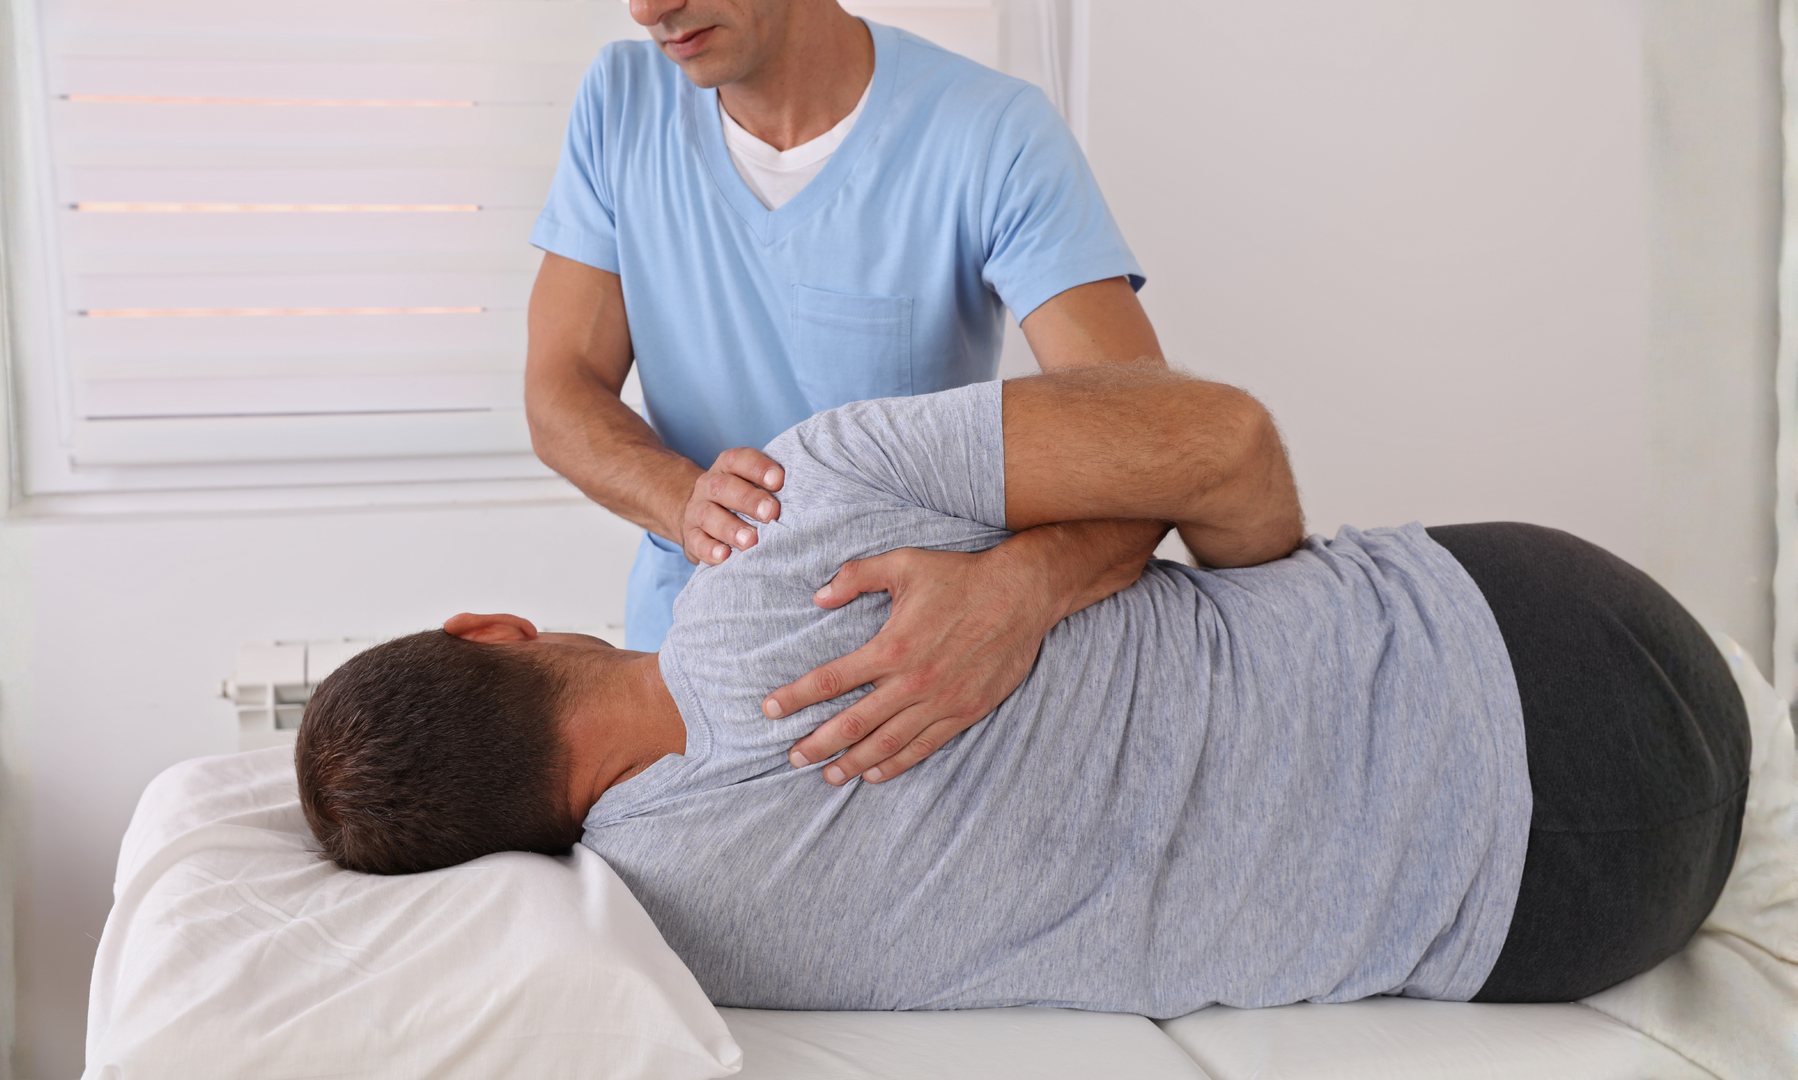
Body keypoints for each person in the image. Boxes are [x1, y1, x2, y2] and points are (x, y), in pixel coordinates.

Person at [297, 366, 1749, 1017]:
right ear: (487, 628)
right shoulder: (798, 511)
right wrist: (1040, 579)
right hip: (1569, 651)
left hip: (1565, 927)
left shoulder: (675, 954)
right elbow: (1232, 449)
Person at [527, 0, 1168, 787]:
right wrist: (685, 501)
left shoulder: (989, 131)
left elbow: (1151, 437)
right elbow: (559, 390)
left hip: (906, 669)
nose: (648, 10)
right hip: (683, 662)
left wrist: (1018, 590)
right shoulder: (621, 102)